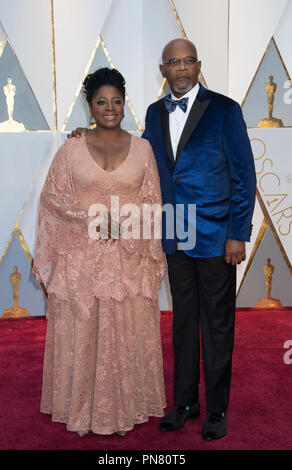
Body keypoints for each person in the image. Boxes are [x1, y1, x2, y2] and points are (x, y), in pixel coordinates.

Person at [69, 38, 257, 441]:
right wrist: (87, 137)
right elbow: (134, 153)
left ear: (198, 64)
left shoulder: (225, 110)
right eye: (174, 61)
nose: (182, 67)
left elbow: (244, 177)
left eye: (189, 60)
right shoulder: (154, 114)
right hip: (172, 235)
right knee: (183, 324)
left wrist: (237, 235)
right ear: (163, 69)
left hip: (217, 235)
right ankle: (185, 402)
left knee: (217, 325)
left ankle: (217, 408)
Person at [33, 67, 166, 438]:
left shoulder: (143, 148)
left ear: (125, 104)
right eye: (101, 102)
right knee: (86, 329)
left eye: (117, 101)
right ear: (89, 106)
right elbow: (53, 200)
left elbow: (153, 202)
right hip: (81, 259)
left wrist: (123, 224)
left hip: (128, 258)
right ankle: (80, 408)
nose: (110, 108)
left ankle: (128, 405)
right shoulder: (71, 149)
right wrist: (93, 219)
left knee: (125, 330)